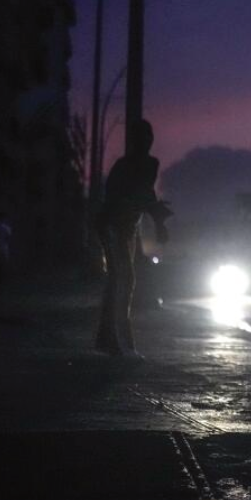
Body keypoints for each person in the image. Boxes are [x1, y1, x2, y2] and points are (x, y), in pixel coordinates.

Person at [95, 119, 170, 358]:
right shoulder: (124, 165)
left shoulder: (149, 164)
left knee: (122, 281)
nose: (146, 142)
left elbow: (146, 194)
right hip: (113, 225)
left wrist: (158, 222)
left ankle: (112, 340)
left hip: (128, 226)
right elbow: (131, 197)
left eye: (149, 137)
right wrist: (156, 218)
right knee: (121, 280)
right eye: (142, 137)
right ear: (134, 140)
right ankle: (116, 342)